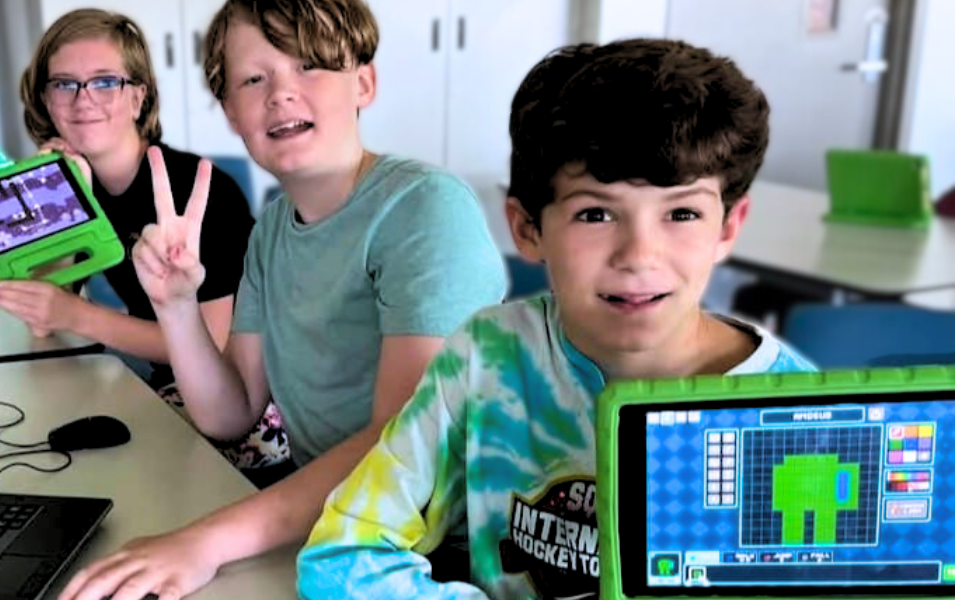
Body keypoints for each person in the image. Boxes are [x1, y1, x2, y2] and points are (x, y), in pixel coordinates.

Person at [298, 38, 818, 599]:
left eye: (682, 213)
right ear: (527, 229)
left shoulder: (795, 415)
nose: (639, 256)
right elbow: (340, 556)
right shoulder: (486, 357)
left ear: (728, 226)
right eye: (595, 213)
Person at [56, 1, 506, 599]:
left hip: (446, 552)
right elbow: (231, 411)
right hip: (336, 526)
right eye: (253, 78)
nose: (281, 93)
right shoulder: (272, 231)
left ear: (363, 82)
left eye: (310, 66)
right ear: (231, 112)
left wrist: (207, 541)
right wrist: (176, 306)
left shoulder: (424, 209)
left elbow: (400, 446)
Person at [0, 9, 291, 475]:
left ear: (138, 98)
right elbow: (42, 318)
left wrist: (77, 315)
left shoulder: (196, 193)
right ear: (46, 101)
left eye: (105, 81)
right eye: (64, 84)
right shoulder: (81, 183)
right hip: (166, 384)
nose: (82, 99)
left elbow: (210, 348)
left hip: (253, 408)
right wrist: (63, 201)